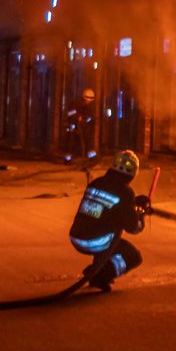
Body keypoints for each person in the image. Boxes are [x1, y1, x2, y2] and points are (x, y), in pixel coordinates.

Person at [68, 149, 150, 292]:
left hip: (76, 235)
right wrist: (141, 215)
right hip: (96, 241)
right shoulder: (125, 192)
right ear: (133, 173)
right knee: (133, 256)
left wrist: (132, 205)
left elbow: (107, 208)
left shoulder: (97, 183)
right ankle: (100, 275)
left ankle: (96, 270)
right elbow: (133, 227)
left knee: (104, 231)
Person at [64, 88, 97, 163]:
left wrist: (86, 120)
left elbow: (90, 116)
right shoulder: (75, 103)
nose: (88, 101)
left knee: (88, 139)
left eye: (90, 100)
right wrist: (77, 116)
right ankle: (67, 159)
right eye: (88, 99)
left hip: (82, 125)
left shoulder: (89, 106)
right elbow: (69, 113)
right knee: (71, 141)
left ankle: (90, 156)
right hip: (73, 124)